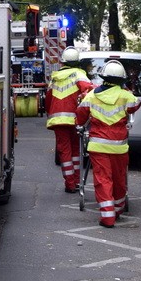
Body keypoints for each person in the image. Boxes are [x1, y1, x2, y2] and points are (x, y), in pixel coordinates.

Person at [76, 60, 141, 228]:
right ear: (121, 80)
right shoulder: (125, 96)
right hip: (119, 146)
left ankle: (107, 216)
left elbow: (81, 115)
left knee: (103, 179)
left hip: (98, 146)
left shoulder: (91, 95)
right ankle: (118, 209)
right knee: (119, 179)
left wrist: (79, 125)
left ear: (103, 77)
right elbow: (136, 104)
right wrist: (124, 89)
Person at [45, 46, 94, 193]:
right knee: (75, 150)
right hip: (74, 119)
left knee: (64, 152)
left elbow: (48, 100)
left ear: (63, 62)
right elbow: (90, 90)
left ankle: (70, 184)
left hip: (58, 120)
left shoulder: (54, 78)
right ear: (77, 62)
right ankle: (77, 181)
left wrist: (50, 114)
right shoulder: (80, 74)